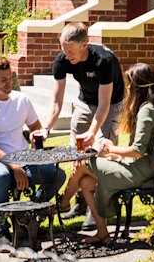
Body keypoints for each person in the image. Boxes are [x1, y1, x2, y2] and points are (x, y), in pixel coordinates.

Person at [59, 62, 154, 245]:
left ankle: (62, 204)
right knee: (86, 183)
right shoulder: (153, 107)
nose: (127, 88)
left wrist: (110, 149)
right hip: (143, 167)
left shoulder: (146, 111)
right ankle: (102, 233)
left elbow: (138, 150)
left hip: (140, 172)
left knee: (83, 162)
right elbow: (142, 150)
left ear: (139, 86)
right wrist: (118, 156)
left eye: (130, 84)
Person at [0, 56, 65, 252]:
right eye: (3, 80)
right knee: (1, 176)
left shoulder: (21, 100)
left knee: (57, 174)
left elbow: (36, 128)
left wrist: (37, 135)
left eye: (10, 78)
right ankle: (2, 231)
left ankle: (28, 216)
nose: (8, 84)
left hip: (23, 159)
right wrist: (14, 166)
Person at [33, 23, 125, 221]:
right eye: (63, 50)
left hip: (109, 104)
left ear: (85, 44)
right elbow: (56, 101)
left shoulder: (104, 61)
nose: (66, 55)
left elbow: (104, 104)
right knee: (77, 155)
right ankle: (80, 203)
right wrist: (46, 128)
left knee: (101, 152)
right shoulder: (62, 60)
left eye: (70, 51)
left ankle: (98, 209)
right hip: (85, 102)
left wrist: (93, 132)